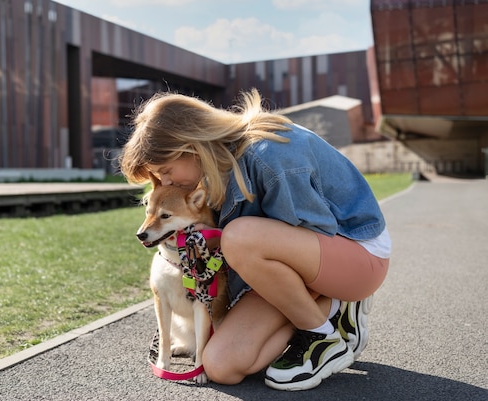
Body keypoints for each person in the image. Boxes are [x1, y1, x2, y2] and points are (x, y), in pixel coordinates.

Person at [119, 89, 390, 391]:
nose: (166, 184)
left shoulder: (270, 155)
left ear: (191, 145)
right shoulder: (211, 175)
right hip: (292, 270)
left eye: (166, 172)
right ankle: (327, 311)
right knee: (221, 365)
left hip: (354, 257)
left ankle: (322, 334)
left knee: (239, 237)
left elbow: (317, 232)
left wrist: (225, 247)